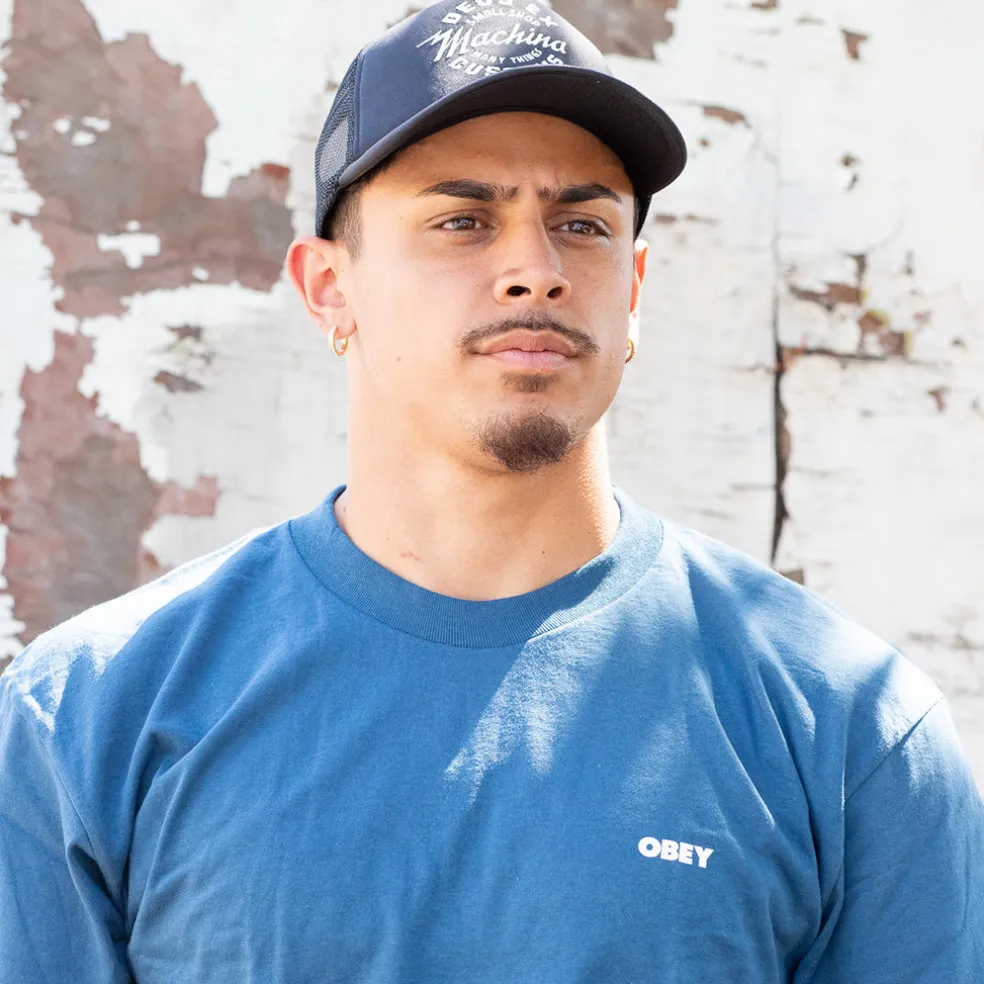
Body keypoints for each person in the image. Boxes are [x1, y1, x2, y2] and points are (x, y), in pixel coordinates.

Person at [2, 1, 983, 981]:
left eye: (581, 224)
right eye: (463, 220)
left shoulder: (846, 729)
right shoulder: (89, 716)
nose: (535, 271)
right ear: (329, 288)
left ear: (634, 289)